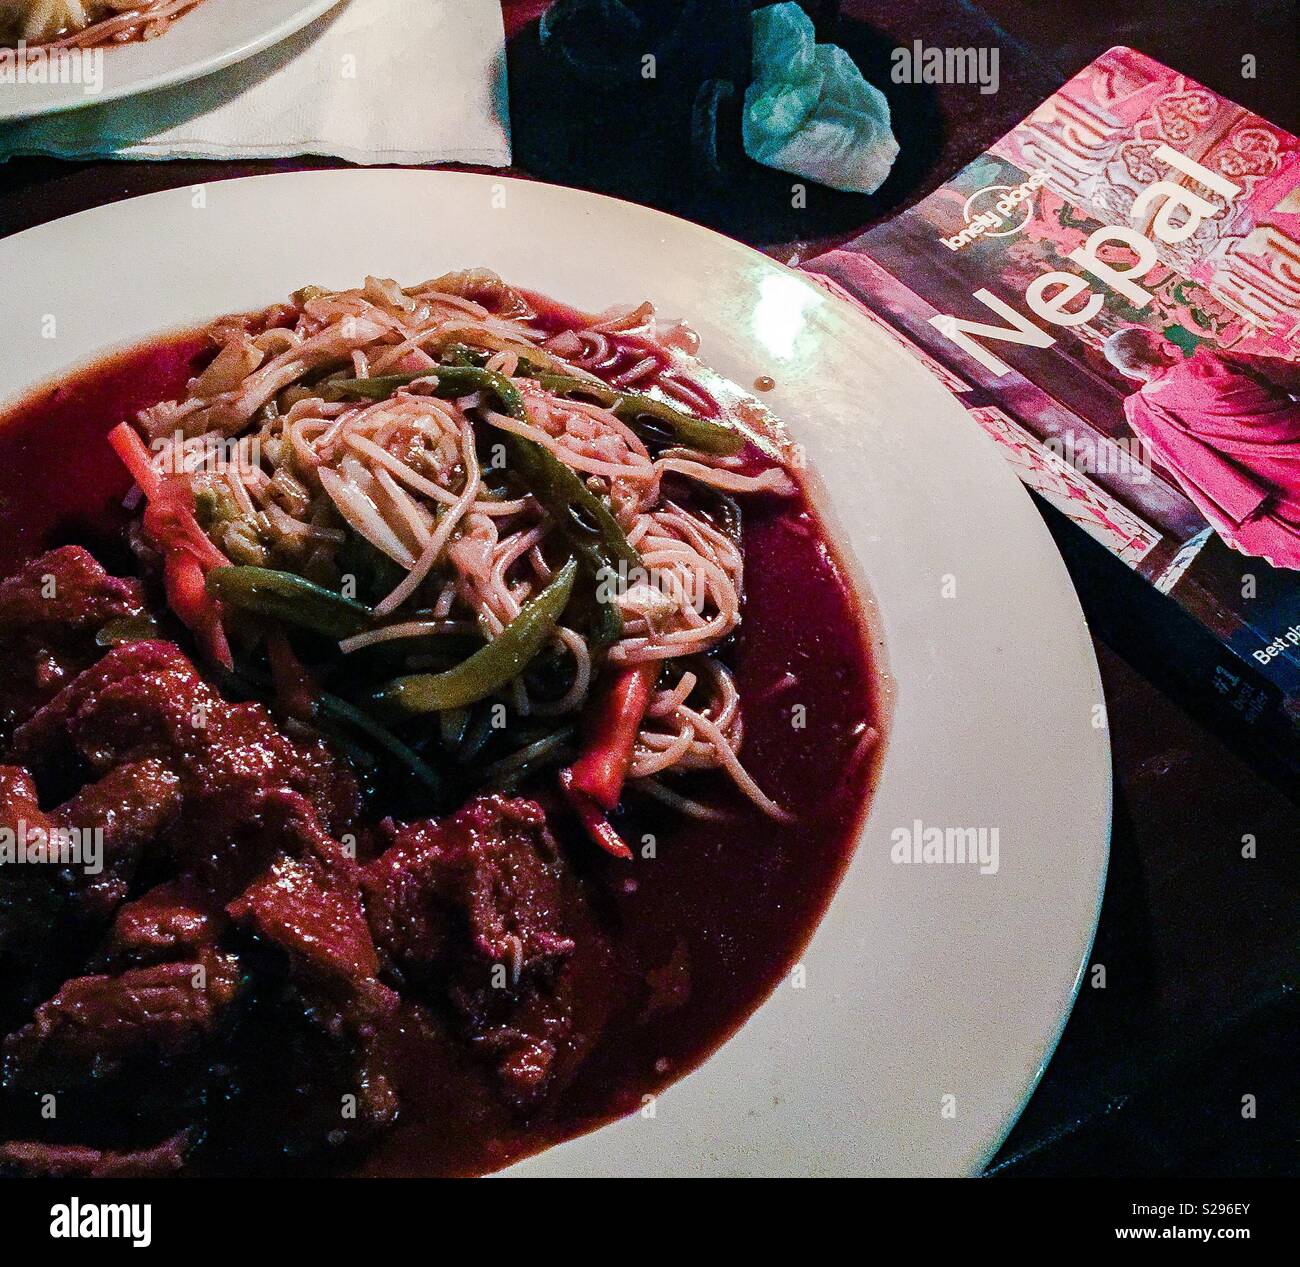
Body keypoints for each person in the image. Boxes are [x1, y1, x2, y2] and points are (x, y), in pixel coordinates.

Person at [1104, 328, 1300, 571]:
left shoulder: (1140, 412)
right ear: (1166, 348)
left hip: (1269, 498)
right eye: (1166, 341)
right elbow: (1293, 377)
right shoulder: (1211, 363)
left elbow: (1170, 459)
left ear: (1127, 372)